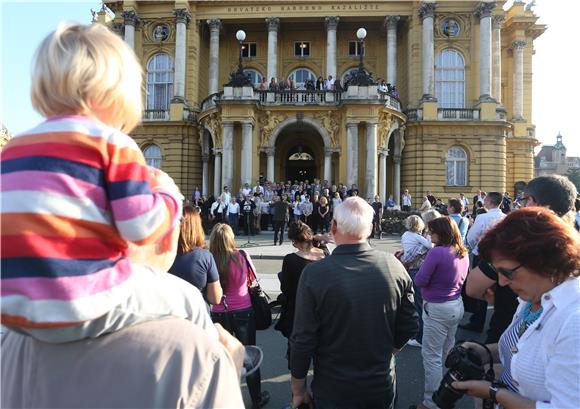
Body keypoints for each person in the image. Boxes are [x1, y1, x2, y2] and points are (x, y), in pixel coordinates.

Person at [0, 23, 210, 343]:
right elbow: (141, 228)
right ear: (119, 91)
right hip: (82, 303)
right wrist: (168, 194)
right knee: (190, 301)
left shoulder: (14, 148)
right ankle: (223, 360)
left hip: (13, 310)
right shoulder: (113, 143)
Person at [290, 197, 419, 409]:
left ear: (333, 226)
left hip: (333, 388)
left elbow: (302, 339)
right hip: (381, 383)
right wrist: (388, 351)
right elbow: (410, 323)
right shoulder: (394, 266)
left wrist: (298, 389)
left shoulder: (314, 273)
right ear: (370, 228)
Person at [452, 208, 580, 409]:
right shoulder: (531, 298)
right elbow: (524, 352)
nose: (501, 282)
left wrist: (493, 393)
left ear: (542, 260)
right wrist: (486, 352)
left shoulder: (573, 321)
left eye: (507, 272)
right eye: (497, 272)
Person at [465, 175, 578, 344]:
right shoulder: (572, 238)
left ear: (531, 201)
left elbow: (473, 287)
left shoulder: (519, 239)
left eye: (507, 272)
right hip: (513, 336)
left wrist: (500, 298)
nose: (503, 281)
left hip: (506, 326)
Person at [209, 224, 270, 408]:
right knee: (248, 354)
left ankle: (223, 400)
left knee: (222, 357)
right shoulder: (241, 255)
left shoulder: (209, 258)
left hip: (218, 313)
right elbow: (252, 279)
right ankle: (256, 398)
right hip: (243, 310)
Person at [412, 216, 470, 409]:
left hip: (437, 308)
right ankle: (446, 393)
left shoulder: (437, 253)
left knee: (431, 356)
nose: (429, 234)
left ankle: (432, 402)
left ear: (442, 233)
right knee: (447, 351)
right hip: (456, 304)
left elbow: (420, 281)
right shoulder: (462, 252)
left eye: (432, 231)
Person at [276, 221, 325, 366]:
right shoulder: (325, 254)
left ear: (296, 241)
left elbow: (286, 289)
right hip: (322, 312)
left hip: (298, 313)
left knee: (298, 358)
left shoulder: (290, 259)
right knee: (321, 358)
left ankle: (298, 387)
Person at [462, 192, 506, 333]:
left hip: (483, 255)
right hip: (500, 256)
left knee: (481, 289)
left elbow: (472, 236)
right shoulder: (506, 217)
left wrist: (473, 247)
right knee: (499, 289)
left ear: (489, 201)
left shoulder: (483, 217)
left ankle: (477, 322)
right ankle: (497, 322)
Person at [169, 205, 223, 307]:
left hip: (169, 316)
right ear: (197, 227)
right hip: (198, 317)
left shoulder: (163, 255)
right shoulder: (204, 256)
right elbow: (215, 298)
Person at [401, 215, 433, 347]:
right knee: (420, 304)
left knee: (412, 301)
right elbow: (430, 246)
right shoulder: (417, 237)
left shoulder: (405, 235)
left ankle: (416, 333)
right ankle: (421, 336)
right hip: (417, 268)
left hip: (408, 267)